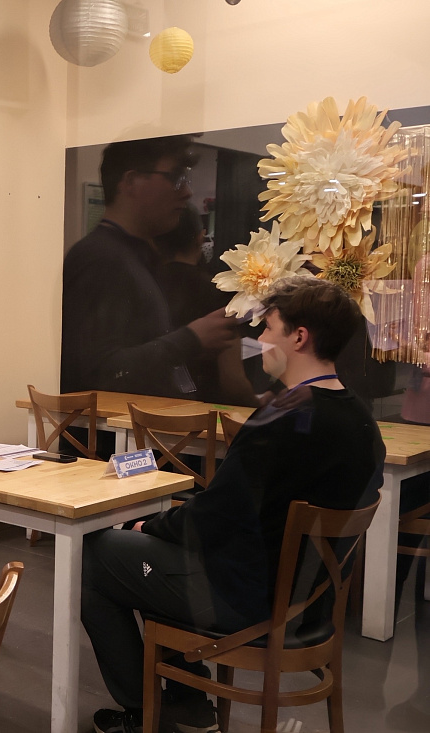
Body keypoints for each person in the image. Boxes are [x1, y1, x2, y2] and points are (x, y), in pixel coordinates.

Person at [80, 277, 385, 733]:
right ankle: (186, 705)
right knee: (146, 556)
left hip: (245, 599)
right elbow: (233, 513)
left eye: (269, 327)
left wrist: (151, 526)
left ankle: (148, 715)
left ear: (299, 337)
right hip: (308, 604)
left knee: (94, 554)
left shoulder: (284, 418)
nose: (260, 338)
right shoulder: (362, 422)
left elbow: (215, 517)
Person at [61, 136, 237, 398]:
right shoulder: (101, 257)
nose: (187, 192)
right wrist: (191, 339)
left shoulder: (133, 254)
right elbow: (98, 372)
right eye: (175, 177)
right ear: (131, 182)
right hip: (116, 424)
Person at [153, 205, 257, 406]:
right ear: (200, 238)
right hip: (203, 413)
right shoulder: (215, 292)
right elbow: (233, 382)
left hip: (143, 408)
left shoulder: (145, 286)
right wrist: (260, 406)